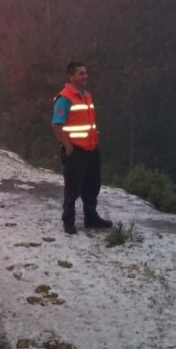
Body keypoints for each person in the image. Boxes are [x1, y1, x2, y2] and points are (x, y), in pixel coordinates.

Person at [52, 62, 113, 234]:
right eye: (81, 73)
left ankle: (91, 218)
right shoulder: (64, 98)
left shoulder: (86, 95)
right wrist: (68, 147)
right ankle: (68, 222)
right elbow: (57, 125)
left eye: (86, 73)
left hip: (91, 148)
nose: (85, 76)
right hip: (76, 150)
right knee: (73, 188)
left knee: (92, 186)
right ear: (70, 76)